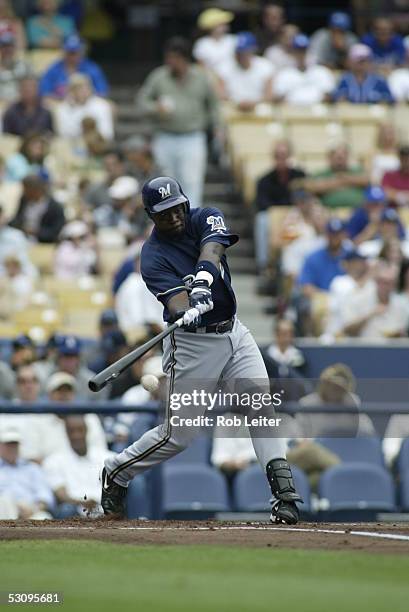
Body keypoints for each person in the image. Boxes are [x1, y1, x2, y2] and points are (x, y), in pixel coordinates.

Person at [101, 176, 303, 525]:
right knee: (180, 435)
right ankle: (117, 469)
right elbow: (176, 302)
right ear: (151, 216)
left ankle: (284, 497)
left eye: (177, 208)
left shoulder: (204, 216)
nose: (175, 217)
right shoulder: (152, 257)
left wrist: (204, 282)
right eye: (165, 214)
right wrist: (186, 307)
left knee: (260, 406)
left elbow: (212, 248)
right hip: (193, 344)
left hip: (234, 331)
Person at [138, 37, 219, 208]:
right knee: (164, 183)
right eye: (168, 57)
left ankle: (190, 226)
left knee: (191, 182)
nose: (169, 62)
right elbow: (142, 101)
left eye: (173, 58)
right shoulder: (159, 76)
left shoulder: (200, 77)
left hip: (193, 136)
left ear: (183, 58)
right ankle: (167, 225)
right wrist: (156, 108)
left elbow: (213, 105)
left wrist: (216, 127)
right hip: (165, 135)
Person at [43, 416, 115, 518]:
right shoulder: (54, 461)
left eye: (80, 430)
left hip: (105, 507)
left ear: (86, 430)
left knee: (135, 483)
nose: (76, 435)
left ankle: (139, 527)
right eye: (71, 431)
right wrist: (82, 502)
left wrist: (98, 501)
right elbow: (61, 494)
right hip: (75, 510)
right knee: (66, 509)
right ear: (66, 433)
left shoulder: (106, 457)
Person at [254, 140, 306, 271]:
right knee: (262, 220)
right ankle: (265, 266)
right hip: (274, 216)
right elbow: (261, 204)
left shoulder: (300, 176)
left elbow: (306, 199)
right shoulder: (264, 180)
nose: (281, 160)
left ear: (290, 156)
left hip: (296, 214)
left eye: (284, 156)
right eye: (278, 156)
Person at [297, 364, 376, 437]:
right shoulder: (306, 404)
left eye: (340, 387)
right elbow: (300, 438)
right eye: (331, 384)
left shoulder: (352, 402)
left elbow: (367, 433)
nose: (334, 390)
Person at [341, 262, 409, 338]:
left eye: (390, 282)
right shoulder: (357, 300)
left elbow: (403, 331)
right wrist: (370, 315)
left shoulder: (401, 304)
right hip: (363, 348)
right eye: (383, 282)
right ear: (375, 281)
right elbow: (347, 330)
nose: (386, 286)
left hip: (393, 348)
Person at [0, 427, 54, 519]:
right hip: (4, 511)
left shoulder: (32, 468)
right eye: (8, 444)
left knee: (43, 517)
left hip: (31, 512)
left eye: (14, 444)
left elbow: (45, 496)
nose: (12, 448)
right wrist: (16, 506)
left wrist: (34, 509)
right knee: (5, 503)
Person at [39, 33, 109, 98]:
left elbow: (102, 92)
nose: (72, 56)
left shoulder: (91, 68)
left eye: (75, 52)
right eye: (70, 52)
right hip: (61, 105)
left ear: (82, 52)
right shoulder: (54, 69)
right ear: (64, 52)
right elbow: (44, 93)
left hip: (86, 104)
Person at [217, 32, 274, 110]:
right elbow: (221, 95)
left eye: (244, 52)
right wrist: (237, 103)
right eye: (238, 52)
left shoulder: (265, 66)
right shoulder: (224, 67)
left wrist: (253, 104)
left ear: (253, 51)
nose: (241, 56)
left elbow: (269, 96)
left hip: (259, 107)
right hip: (233, 107)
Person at [273, 33, 335, 105]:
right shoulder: (284, 73)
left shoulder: (321, 71)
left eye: (304, 50)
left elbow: (329, 97)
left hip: (316, 112)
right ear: (293, 52)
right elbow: (278, 98)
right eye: (298, 50)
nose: (301, 54)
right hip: (291, 112)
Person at [303, 144, 368, 209]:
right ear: (329, 158)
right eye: (337, 158)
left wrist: (343, 178)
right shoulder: (320, 173)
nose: (340, 161)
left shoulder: (358, 170)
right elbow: (311, 187)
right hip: (329, 212)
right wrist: (342, 181)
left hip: (358, 211)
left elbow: (367, 180)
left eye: (342, 157)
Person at [324, 250, 372, 337]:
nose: (363, 264)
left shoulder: (368, 283)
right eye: (358, 262)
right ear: (349, 264)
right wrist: (369, 275)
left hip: (359, 334)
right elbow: (352, 295)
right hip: (338, 334)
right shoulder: (340, 282)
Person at [115, 252, 164, 335]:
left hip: (146, 328)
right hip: (135, 331)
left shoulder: (141, 281)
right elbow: (139, 319)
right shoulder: (134, 283)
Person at [55, 73, 114, 140]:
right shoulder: (62, 108)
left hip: (97, 145)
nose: (83, 91)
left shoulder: (102, 105)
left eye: (86, 87)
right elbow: (62, 132)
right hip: (71, 144)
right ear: (71, 91)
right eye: (78, 88)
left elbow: (107, 133)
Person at [10, 174, 65, 243]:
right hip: (21, 239)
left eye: (26, 190)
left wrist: (35, 232)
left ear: (35, 190)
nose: (24, 192)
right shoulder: (24, 200)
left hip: (43, 243)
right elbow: (17, 218)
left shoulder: (55, 208)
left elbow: (55, 232)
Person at [93, 175, 146, 243]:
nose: (116, 201)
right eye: (115, 199)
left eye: (121, 199)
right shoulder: (109, 211)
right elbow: (97, 218)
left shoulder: (142, 214)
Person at [192, 7, 236, 72]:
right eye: (221, 24)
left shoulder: (233, 40)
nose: (225, 25)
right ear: (212, 26)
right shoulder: (202, 44)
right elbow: (201, 67)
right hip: (211, 80)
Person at [0, 29, 32, 101]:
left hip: (20, 104)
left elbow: (32, 86)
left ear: (14, 48)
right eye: (4, 46)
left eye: (10, 46)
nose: (7, 49)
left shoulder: (25, 66)